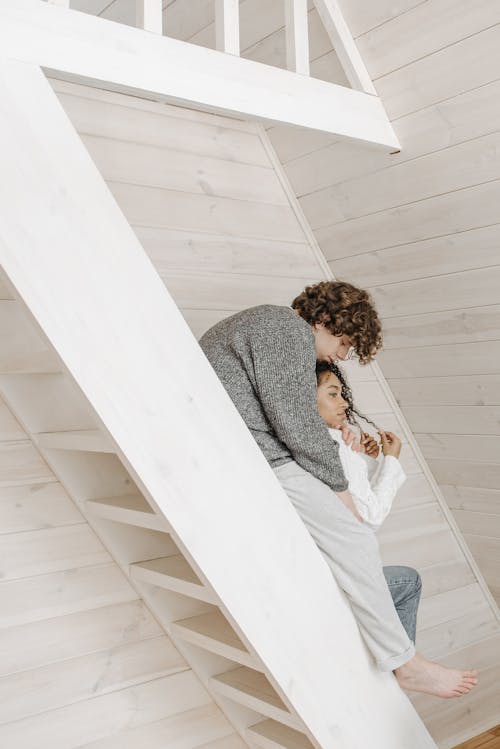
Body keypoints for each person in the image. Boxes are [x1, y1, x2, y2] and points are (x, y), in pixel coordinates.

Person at [199, 280, 479, 698]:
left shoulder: (266, 326)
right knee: (357, 539)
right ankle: (406, 662)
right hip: (257, 457)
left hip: (249, 449)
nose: (343, 355)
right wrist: (340, 486)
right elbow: (295, 420)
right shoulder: (283, 327)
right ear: (325, 320)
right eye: (345, 342)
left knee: (351, 544)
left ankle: (396, 656)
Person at [316, 358, 421, 645]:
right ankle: (403, 666)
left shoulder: (323, 442)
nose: (344, 404)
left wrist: (368, 459)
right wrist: (391, 459)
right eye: (332, 394)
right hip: (343, 579)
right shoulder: (335, 445)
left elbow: (351, 499)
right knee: (409, 581)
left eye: (342, 395)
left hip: (329, 569)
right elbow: (370, 516)